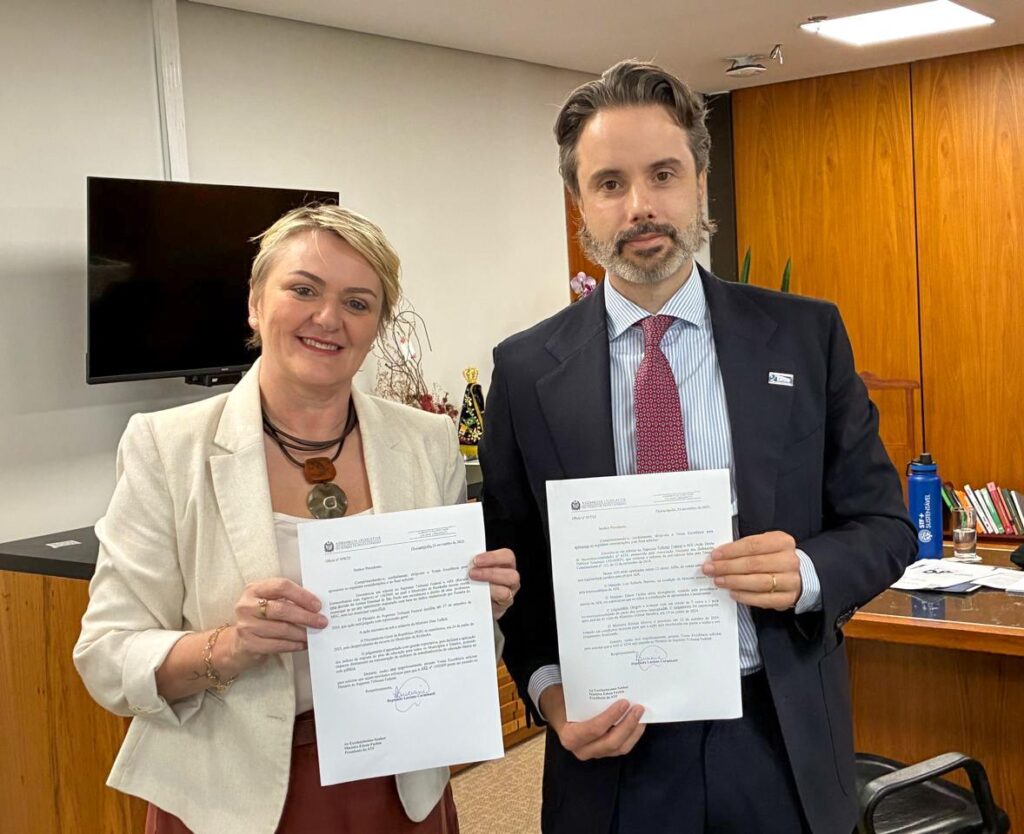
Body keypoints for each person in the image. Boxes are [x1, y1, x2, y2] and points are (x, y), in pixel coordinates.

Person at [480, 61, 916, 834]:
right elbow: (514, 565)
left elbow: (885, 525)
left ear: (700, 183)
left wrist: (807, 571)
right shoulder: (523, 371)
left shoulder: (806, 335)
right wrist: (548, 693)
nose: (641, 206)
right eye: (610, 183)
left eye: (663, 174)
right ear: (580, 202)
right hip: (609, 749)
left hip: (777, 735)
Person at [74, 204, 519, 834]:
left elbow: (457, 655)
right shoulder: (166, 447)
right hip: (228, 796)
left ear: (376, 327)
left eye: (358, 303)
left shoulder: (427, 441)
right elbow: (106, 656)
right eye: (304, 290)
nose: (328, 318)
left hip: (396, 780)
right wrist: (230, 646)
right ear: (255, 304)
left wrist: (477, 610)